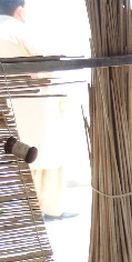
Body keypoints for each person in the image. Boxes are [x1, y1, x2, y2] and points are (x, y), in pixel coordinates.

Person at [0, 0, 74, 220]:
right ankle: (50, 208)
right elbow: (43, 68)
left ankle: (19, 210)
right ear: (19, 10)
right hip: (31, 104)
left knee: (12, 158)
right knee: (44, 155)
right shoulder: (19, 30)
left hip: (5, 107)